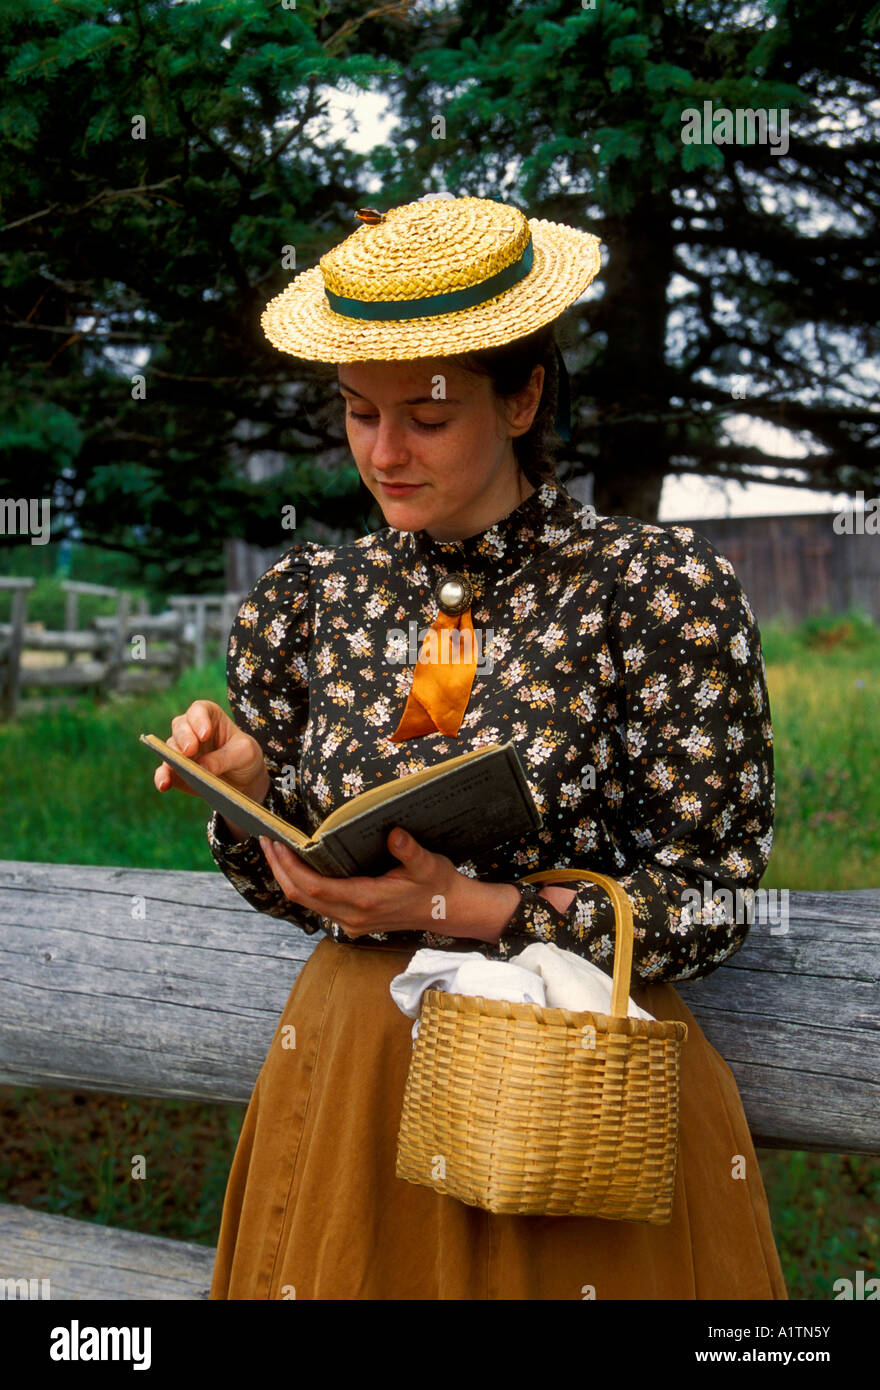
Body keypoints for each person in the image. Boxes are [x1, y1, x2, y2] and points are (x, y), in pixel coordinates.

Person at [153, 194, 787, 1300]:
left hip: (567, 1092)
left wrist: (477, 910)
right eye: (358, 413)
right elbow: (304, 876)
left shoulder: (656, 592)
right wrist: (252, 789)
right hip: (357, 1080)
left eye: (428, 418)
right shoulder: (309, 600)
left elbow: (721, 898)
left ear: (523, 394)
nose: (384, 453)